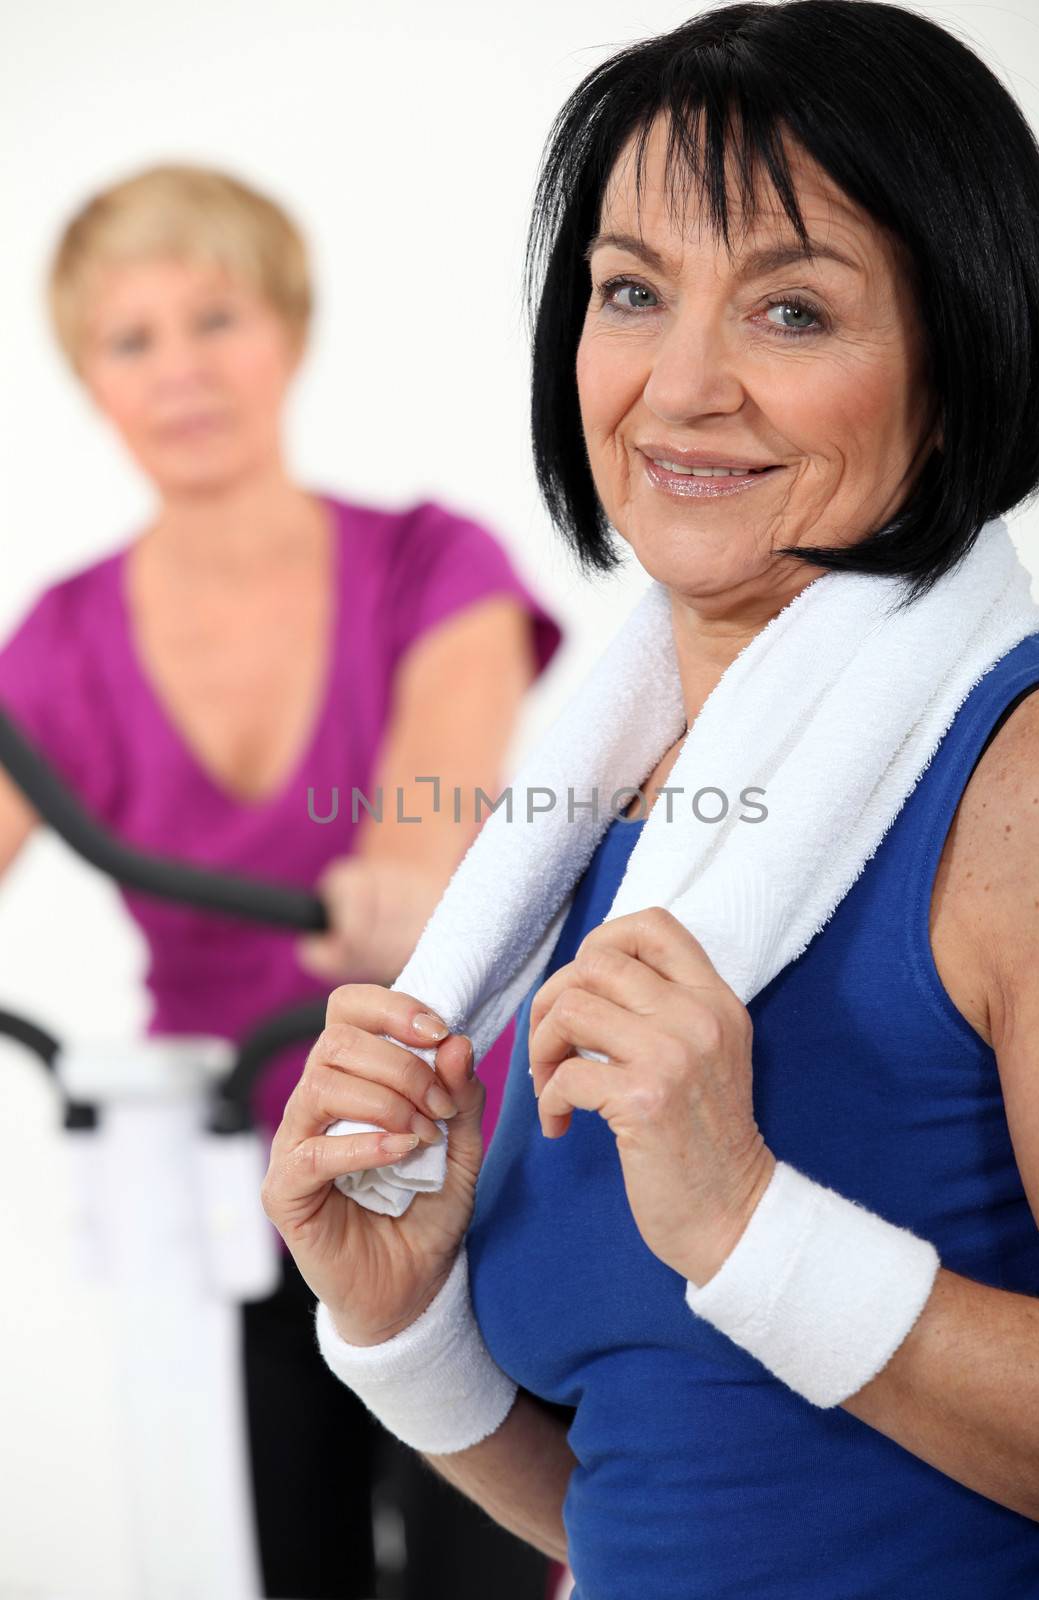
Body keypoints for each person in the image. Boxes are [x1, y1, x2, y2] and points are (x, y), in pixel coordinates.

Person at [262, 3, 1039, 1595]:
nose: (683, 385)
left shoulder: (1029, 790)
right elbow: (654, 1496)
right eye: (632, 291)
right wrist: (399, 1313)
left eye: (790, 309)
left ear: (959, 355)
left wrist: (749, 1220)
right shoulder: (601, 826)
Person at [0, 163, 563, 1597]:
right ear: (90, 379)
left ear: (289, 335)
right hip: (226, 1195)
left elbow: (430, 839)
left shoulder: (435, 564)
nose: (180, 369)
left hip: (453, 1174)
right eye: (133, 340)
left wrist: (404, 884)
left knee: (480, 1572)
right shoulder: (60, 644)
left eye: (216, 318)